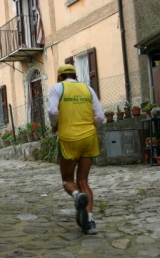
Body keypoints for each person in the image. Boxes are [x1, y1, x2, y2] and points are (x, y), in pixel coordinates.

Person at [48, 64, 105, 235]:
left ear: (59, 77)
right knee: (83, 181)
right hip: (89, 137)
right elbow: (100, 116)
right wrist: (89, 128)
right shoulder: (88, 89)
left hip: (69, 139)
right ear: (76, 76)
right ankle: (89, 222)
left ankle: (76, 196)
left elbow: (52, 111)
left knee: (67, 180)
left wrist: (55, 125)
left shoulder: (57, 88)